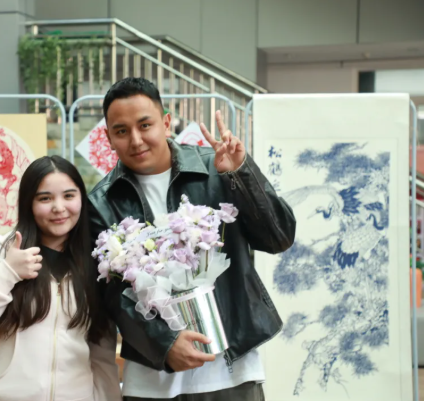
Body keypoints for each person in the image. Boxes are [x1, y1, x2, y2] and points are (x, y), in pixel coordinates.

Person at [88, 78, 296, 401]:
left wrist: (241, 173)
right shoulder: (102, 202)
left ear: (166, 122)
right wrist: (165, 344)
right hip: (152, 382)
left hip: (232, 371)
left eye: (145, 125)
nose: (136, 140)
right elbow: (112, 296)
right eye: (122, 131)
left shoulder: (217, 167)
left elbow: (279, 237)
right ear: (109, 138)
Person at [0, 155, 122, 401]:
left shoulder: (96, 262)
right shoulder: (1, 252)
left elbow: (102, 355)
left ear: (82, 199)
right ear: (29, 203)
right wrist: (7, 273)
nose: (58, 207)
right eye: (45, 198)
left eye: (69, 196)